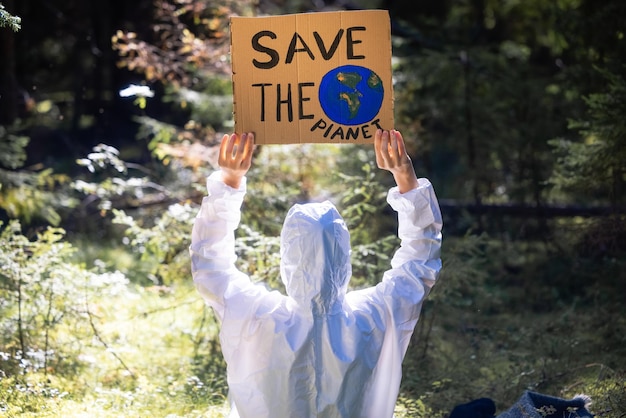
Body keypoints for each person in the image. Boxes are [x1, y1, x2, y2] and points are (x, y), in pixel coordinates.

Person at [189, 129, 443, 418]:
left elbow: (209, 264)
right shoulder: (372, 317)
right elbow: (420, 261)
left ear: (287, 256)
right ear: (344, 256)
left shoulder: (257, 316)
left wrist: (229, 184)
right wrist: (406, 179)